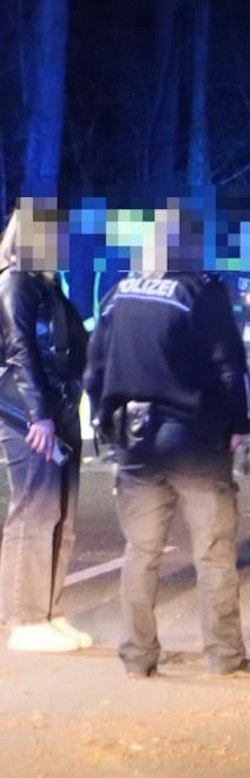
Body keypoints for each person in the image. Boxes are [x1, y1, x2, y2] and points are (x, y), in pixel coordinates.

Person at [85, 202, 250, 678]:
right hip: (195, 439)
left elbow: (95, 369)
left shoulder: (118, 295)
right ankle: (225, 656)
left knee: (141, 553)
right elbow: (228, 366)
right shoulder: (202, 291)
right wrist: (239, 424)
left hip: (134, 440)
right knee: (214, 551)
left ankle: (138, 657)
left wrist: (105, 422)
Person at [0, 201, 91, 653]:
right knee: (34, 513)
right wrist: (37, 414)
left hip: (60, 408)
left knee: (62, 516)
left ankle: (50, 611)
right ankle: (24, 618)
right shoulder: (16, 283)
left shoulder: (48, 287)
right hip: (30, 415)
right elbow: (20, 353)